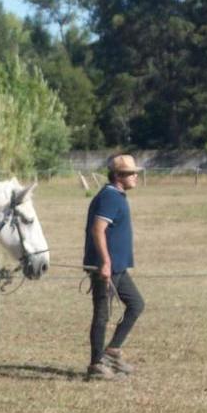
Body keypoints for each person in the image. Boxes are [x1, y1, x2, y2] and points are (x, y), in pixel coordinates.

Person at [83, 153, 146, 380]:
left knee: (136, 304)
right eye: (130, 173)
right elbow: (97, 229)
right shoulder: (109, 197)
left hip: (118, 267)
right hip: (106, 268)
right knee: (102, 314)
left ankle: (112, 351)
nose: (135, 176)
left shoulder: (117, 196)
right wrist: (105, 262)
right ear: (118, 175)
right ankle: (96, 364)